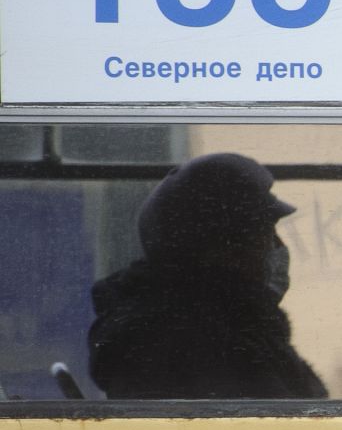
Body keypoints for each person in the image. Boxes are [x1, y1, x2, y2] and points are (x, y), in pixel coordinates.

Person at [86, 152, 326, 400]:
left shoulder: (228, 327)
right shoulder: (205, 344)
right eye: (265, 234)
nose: (277, 246)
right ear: (222, 248)